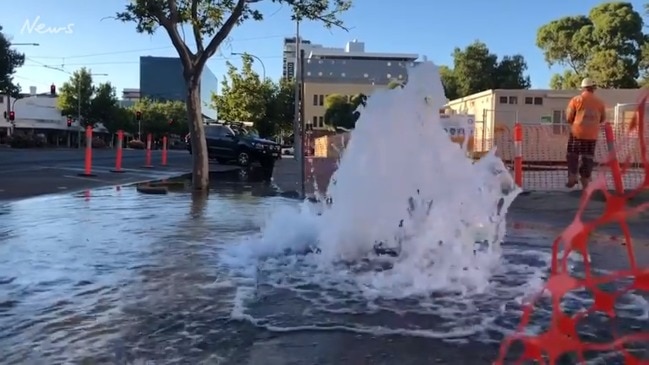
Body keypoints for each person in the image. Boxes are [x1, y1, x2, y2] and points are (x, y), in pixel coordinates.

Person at [565, 78, 606, 189]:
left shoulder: (576, 100)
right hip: (591, 136)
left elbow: (569, 117)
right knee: (587, 158)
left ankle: (572, 177)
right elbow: (602, 119)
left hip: (576, 134)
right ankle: (585, 181)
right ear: (593, 89)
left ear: (583, 88)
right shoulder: (600, 103)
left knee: (572, 155)